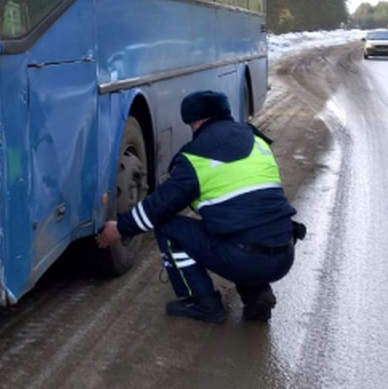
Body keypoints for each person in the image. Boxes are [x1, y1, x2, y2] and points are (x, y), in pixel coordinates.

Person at [96, 90, 303, 323]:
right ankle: (257, 294)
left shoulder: (196, 156)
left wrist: (120, 228)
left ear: (197, 122)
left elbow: (157, 208)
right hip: (284, 252)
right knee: (242, 221)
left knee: (167, 227)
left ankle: (203, 303)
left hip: (247, 258)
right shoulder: (257, 141)